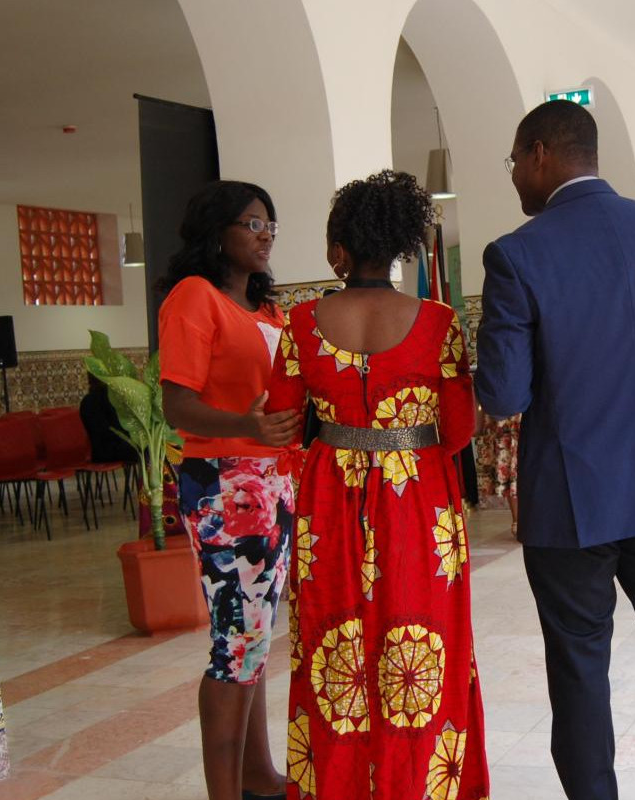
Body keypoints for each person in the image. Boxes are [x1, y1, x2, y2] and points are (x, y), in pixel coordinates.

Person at [477, 99, 635, 800]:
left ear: (538, 155)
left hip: (573, 503)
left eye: (514, 165)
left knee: (581, 669)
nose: (516, 181)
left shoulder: (518, 254)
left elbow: (503, 394)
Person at [264, 170, 489, 800]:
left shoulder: (300, 324)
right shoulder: (440, 323)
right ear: (400, 246)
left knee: (333, 650)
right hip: (418, 499)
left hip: (329, 500)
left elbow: (282, 423)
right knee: (424, 648)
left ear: (339, 247)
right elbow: (459, 429)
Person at [157, 181, 302, 800]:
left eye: (270, 223)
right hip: (226, 486)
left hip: (277, 480)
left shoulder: (266, 309)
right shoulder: (195, 298)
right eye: (251, 223)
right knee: (234, 643)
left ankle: (258, 775)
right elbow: (176, 405)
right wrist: (246, 425)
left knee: (257, 637)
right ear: (218, 232)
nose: (265, 233)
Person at [78, 374, 137, 464]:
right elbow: (110, 429)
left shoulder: (88, 400)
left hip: (104, 450)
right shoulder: (99, 399)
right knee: (146, 448)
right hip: (108, 451)